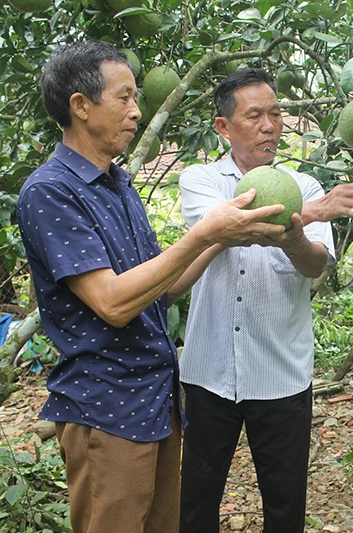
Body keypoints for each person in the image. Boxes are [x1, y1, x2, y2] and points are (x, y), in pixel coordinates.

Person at [17, 42, 288, 533]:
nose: (137, 111)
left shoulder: (117, 185)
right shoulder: (51, 191)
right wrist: (205, 232)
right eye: (124, 98)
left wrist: (223, 240)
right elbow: (114, 303)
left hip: (156, 403)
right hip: (106, 409)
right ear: (81, 105)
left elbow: (157, 292)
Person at [178, 68, 353, 533]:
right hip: (209, 371)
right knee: (195, 500)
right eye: (255, 115)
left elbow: (314, 265)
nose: (270, 125)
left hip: (280, 372)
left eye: (276, 113)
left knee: (285, 506)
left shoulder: (302, 187)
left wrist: (297, 231)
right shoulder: (200, 180)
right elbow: (225, 227)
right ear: (223, 127)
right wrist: (310, 214)